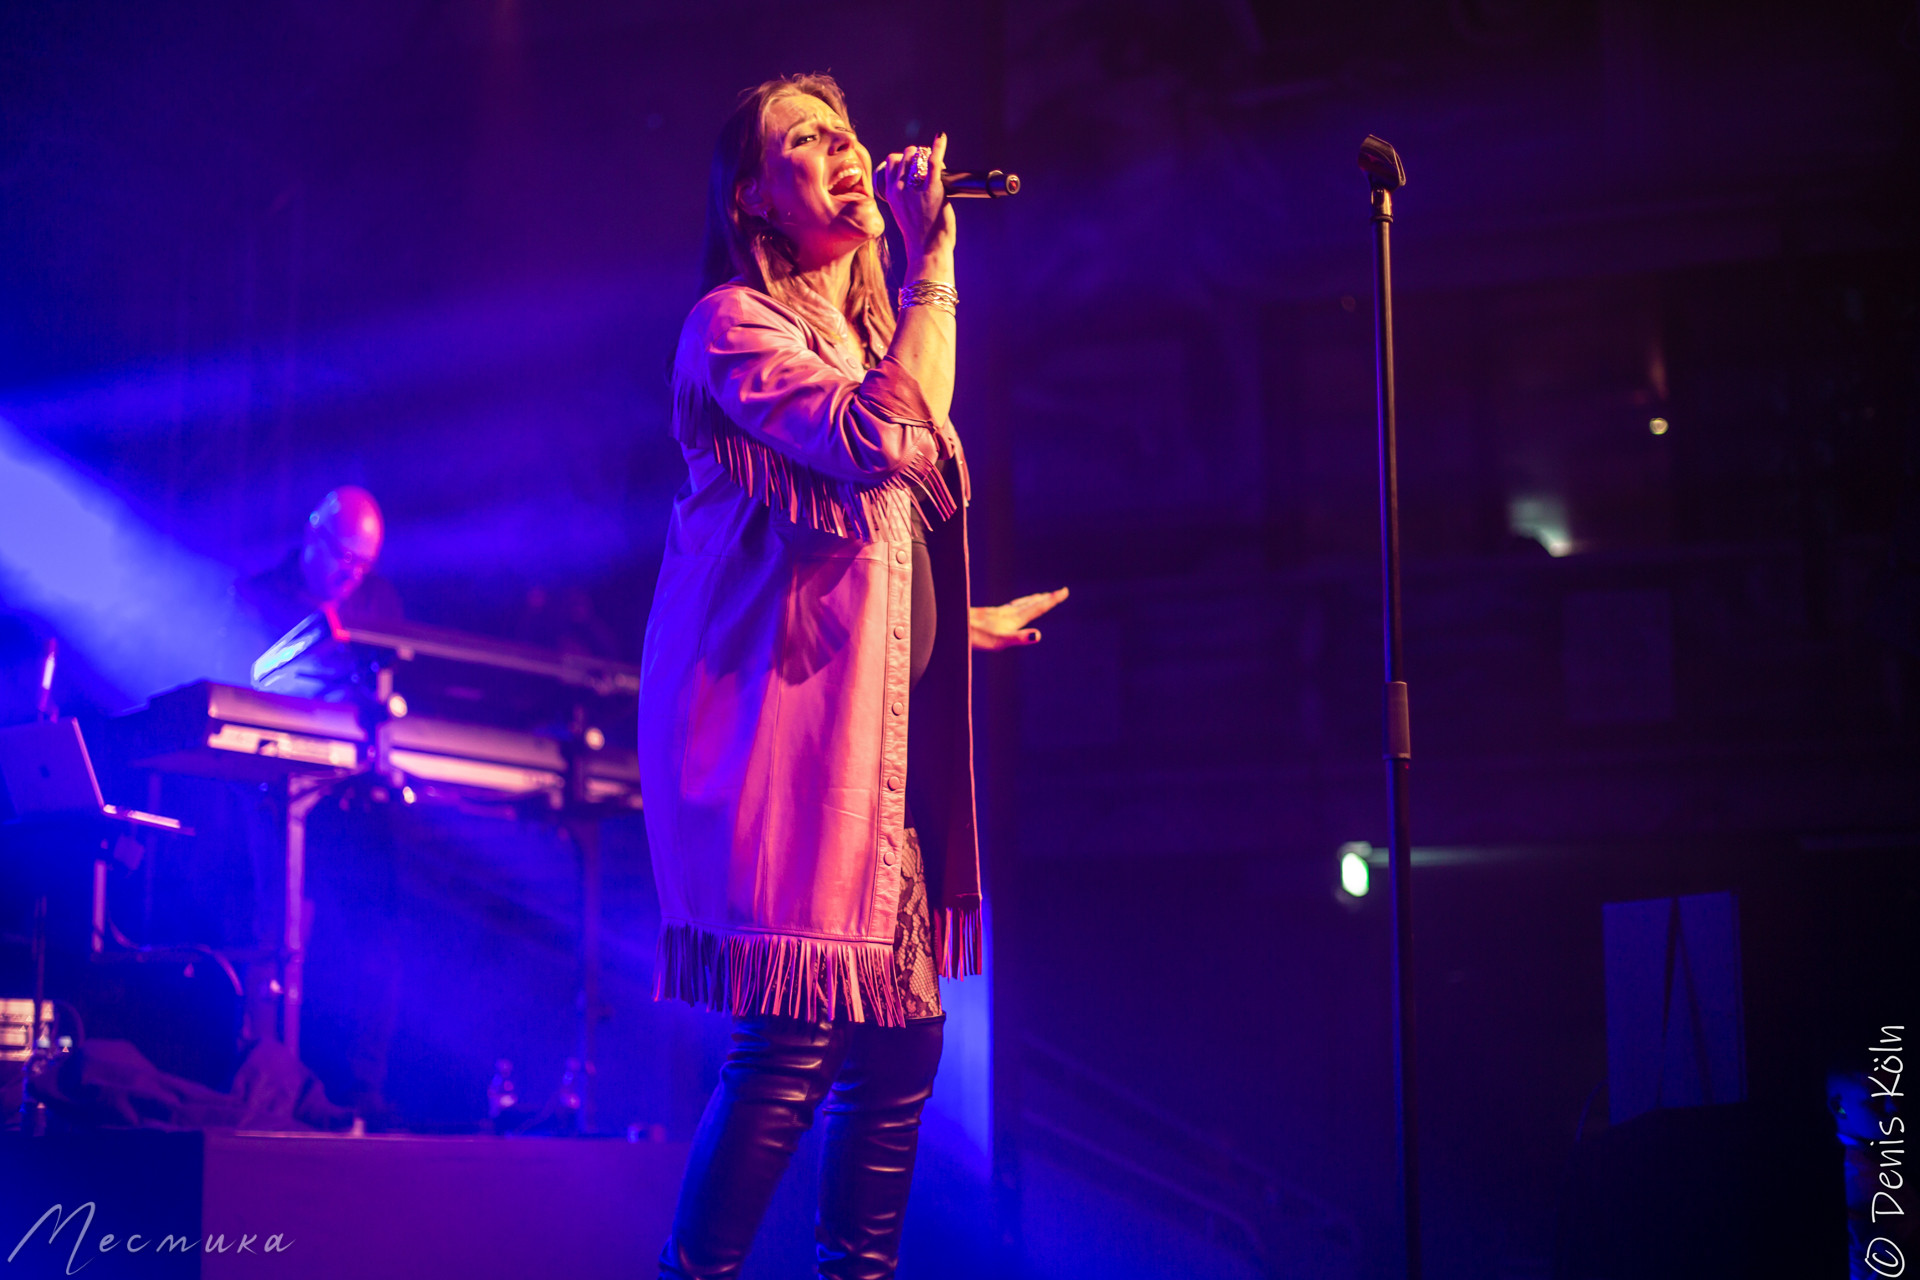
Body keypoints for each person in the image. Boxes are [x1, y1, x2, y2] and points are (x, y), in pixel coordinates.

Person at [639, 74, 1066, 1279]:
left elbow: (877, 531)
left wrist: (949, 617)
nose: (841, 150)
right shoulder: (733, 324)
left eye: (845, 131)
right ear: (753, 196)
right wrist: (936, 267)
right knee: (790, 1031)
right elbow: (879, 442)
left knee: (899, 1041)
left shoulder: (867, 344)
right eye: (803, 140)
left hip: (868, 745)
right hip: (781, 733)